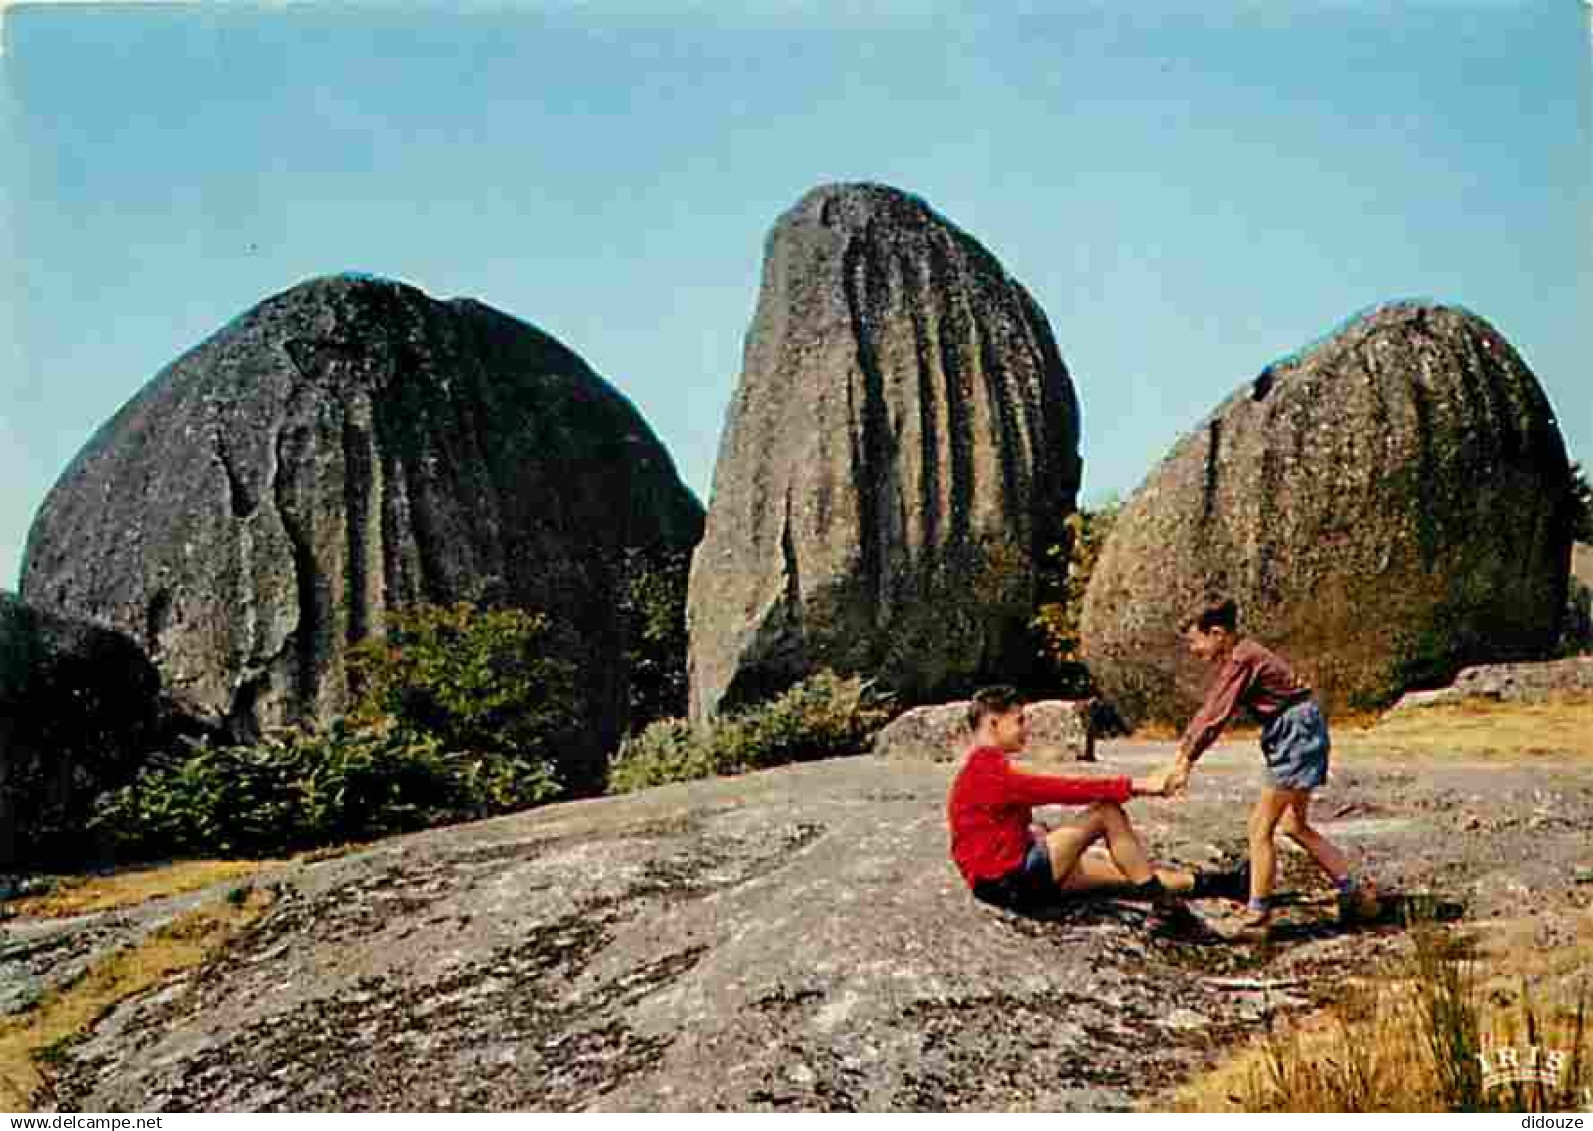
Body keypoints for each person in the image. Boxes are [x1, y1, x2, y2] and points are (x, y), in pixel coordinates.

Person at [1162, 597, 1379, 935]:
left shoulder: (1243, 658)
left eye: (1194, 640)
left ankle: (1258, 915)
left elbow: (1216, 710)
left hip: (1295, 732)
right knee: (1294, 824)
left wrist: (1185, 759)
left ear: (1217, 633)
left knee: (1259, 828)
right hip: (1299, 728)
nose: (1193, 649)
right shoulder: (1245, 654)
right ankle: (1355, 894)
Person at [948, 684, 1241, 917]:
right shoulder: (988, 771)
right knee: (1106, 812)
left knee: (1129, 874)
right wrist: (1139, 786)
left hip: (1004, 883)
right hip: (1012, 882)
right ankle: (1162, 904)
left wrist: (1034, 837)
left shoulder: (981, 769)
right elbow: (1064, 789)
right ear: (993, 723)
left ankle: (1224, 884)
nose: (1026, 729)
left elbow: (982, 837)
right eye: (1020, 721)